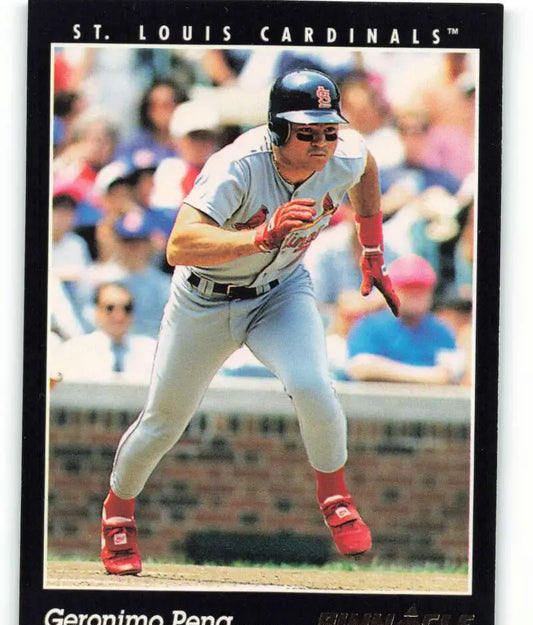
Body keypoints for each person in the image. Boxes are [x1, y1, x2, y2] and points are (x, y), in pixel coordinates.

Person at [100, 69, 400, 575]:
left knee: (313, 385)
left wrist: (372, 245)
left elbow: (365, 163)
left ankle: (335, 498)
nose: (322, 143)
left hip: (281, 291)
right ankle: (118, 513)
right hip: (204, 301)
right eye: (307, 132)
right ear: (277, 129)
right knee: (164, 421)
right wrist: (260, 236)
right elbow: (180, 245)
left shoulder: (342, 151)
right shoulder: (238, 164)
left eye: (328, 129)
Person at [345, 254, 462, 385]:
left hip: (427, 404)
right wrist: (426, 376)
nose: (415, 295)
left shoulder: (440, 330)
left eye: (421, 289)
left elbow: (450, 374)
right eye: (408, 289)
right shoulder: (370, 327)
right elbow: (360, 367)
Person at [56, 283, 157, 382]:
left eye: (127, 308)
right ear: (96, 311)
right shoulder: (74, 350)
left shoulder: (151, 351)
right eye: (110, 308)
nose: (119, 316)